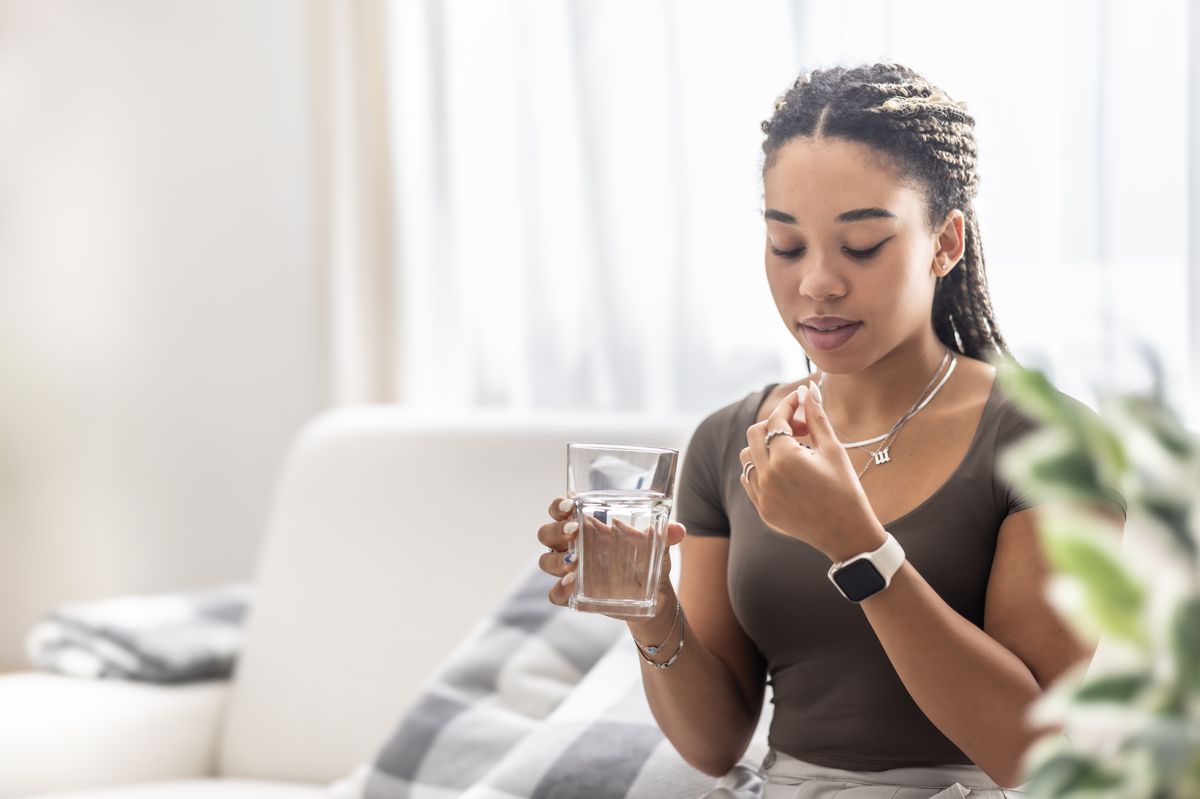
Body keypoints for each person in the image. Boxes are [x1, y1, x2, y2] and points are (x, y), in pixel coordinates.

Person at [536, 63, 1126, 798]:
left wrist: (858, 545)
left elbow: (1031, 755)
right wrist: (649, 606)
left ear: (945, 243)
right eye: (786, 246)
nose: (815, 283)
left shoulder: (1051, 442)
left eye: (863, 245)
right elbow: (715, 744)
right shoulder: (731, 441)